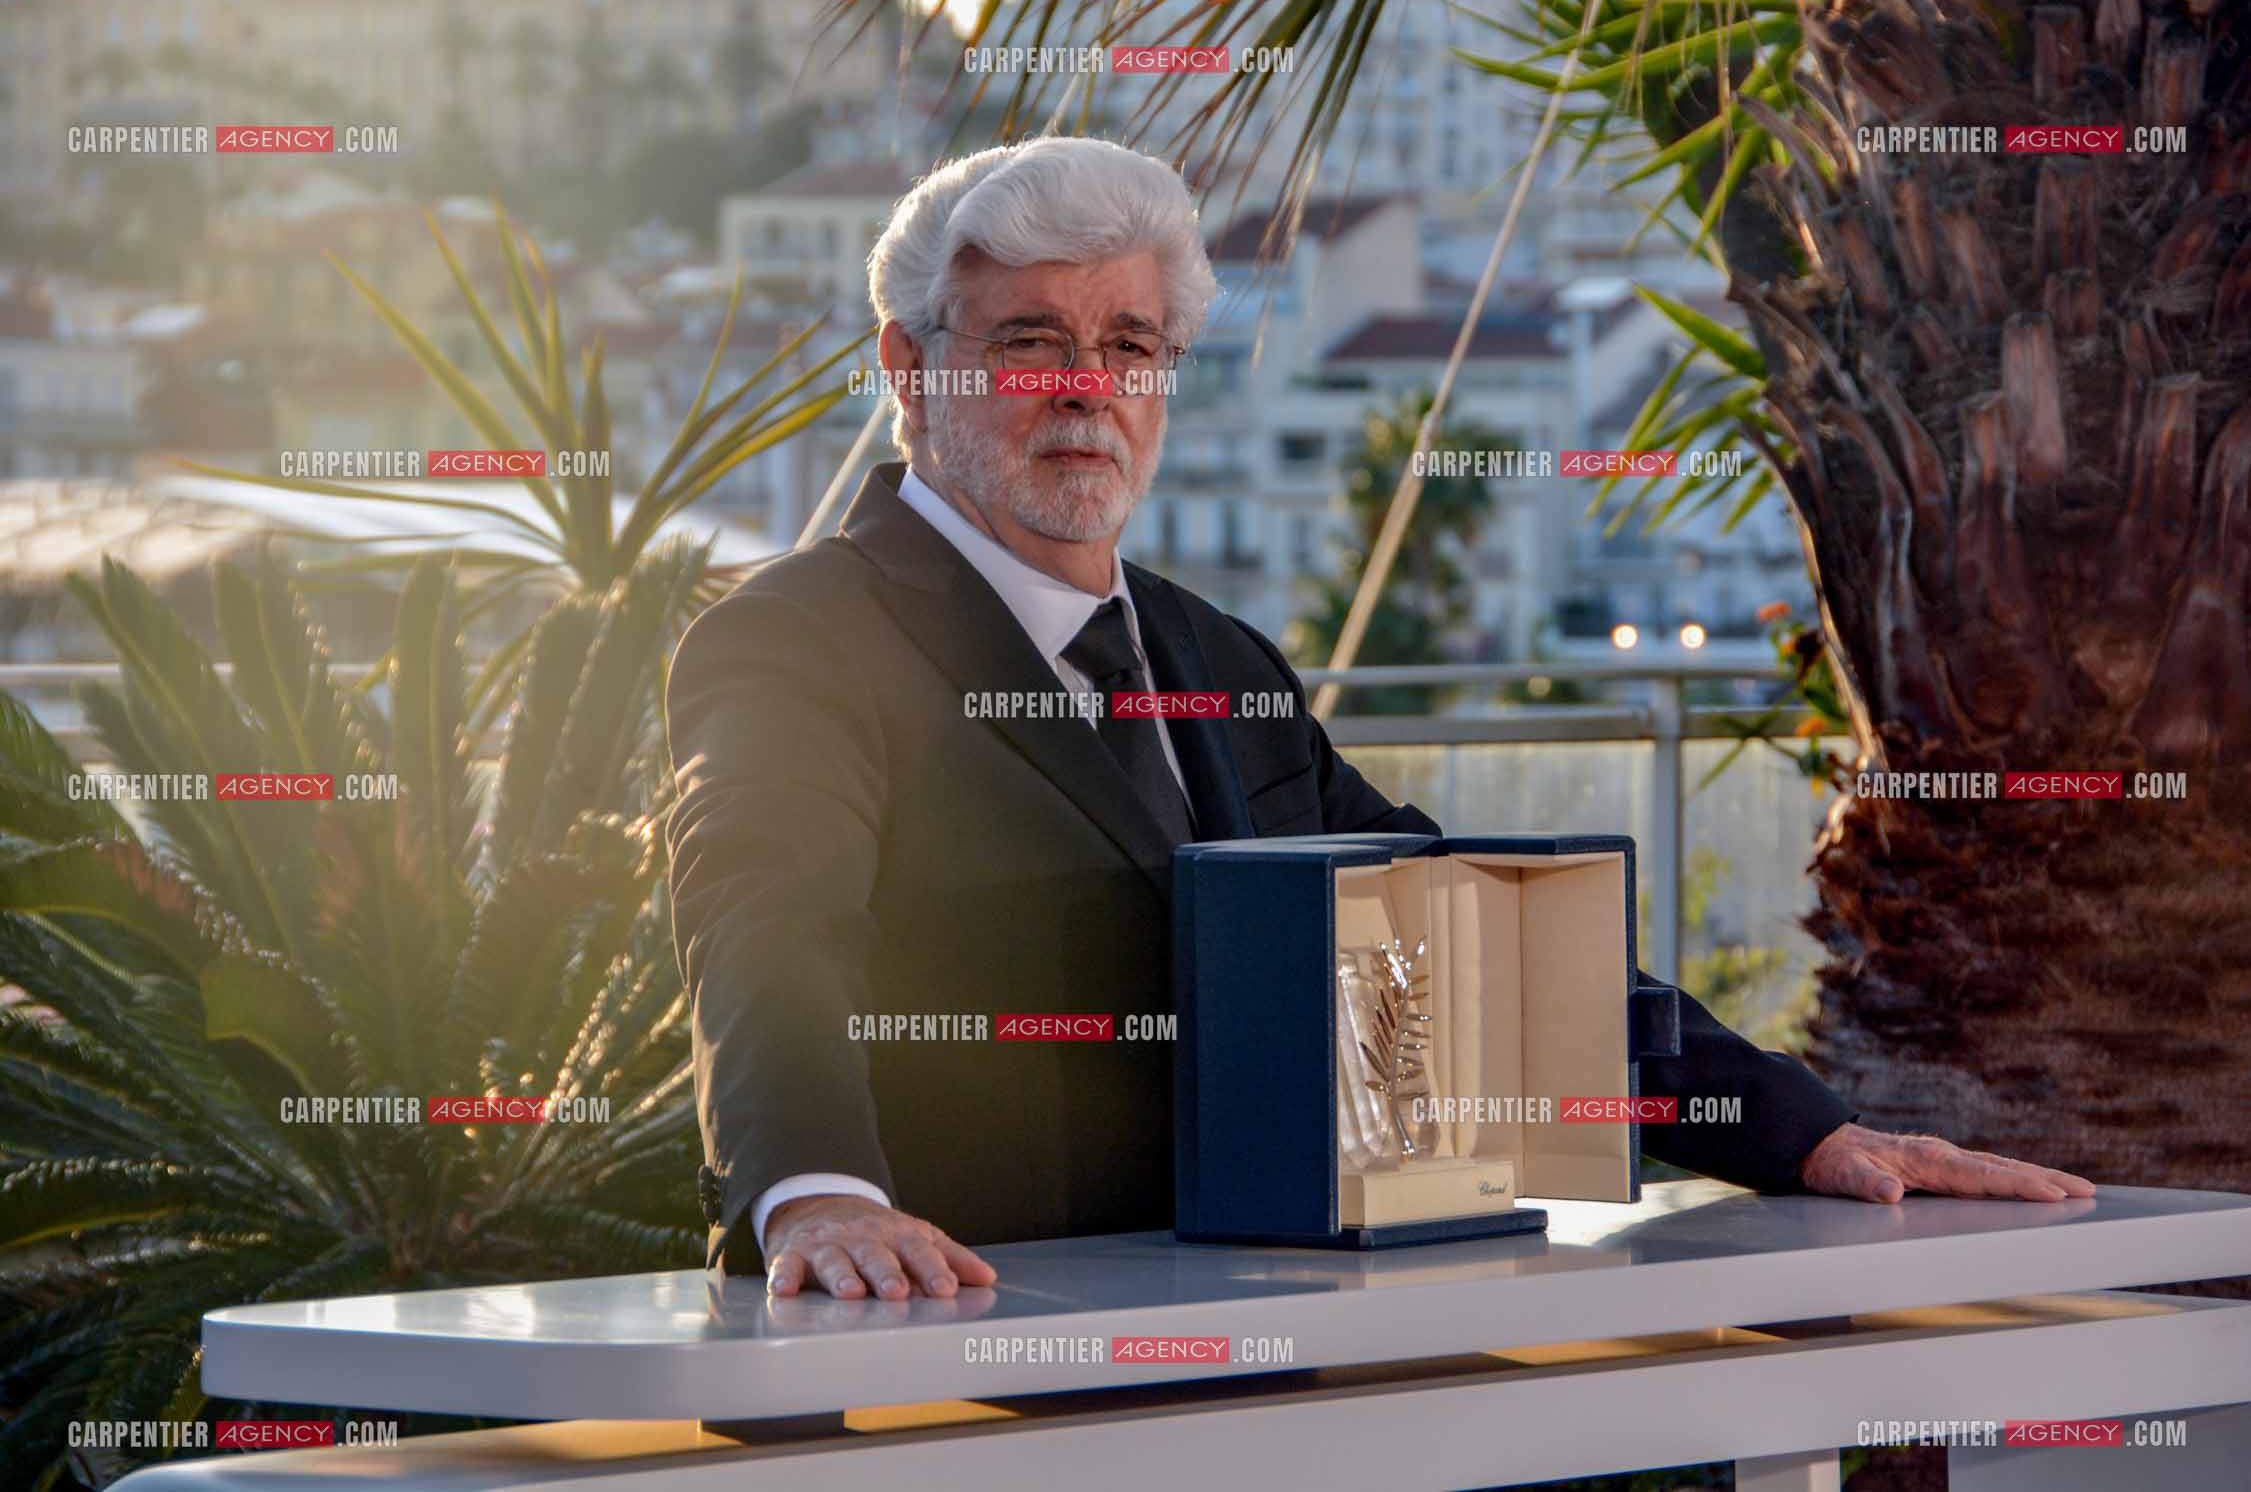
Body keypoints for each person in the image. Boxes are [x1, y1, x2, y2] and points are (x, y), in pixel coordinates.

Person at [663, 137, 2095, 1302]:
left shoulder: (1215, 656)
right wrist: (816, 1194)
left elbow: (1457, 935)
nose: (1090, 390)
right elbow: (765, 922)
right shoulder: (796, 643)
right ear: (913, 371)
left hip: (1259, 1361)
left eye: (1133, 345)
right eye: (1033, 340)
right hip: (956, 1359)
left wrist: (1800, 1130)